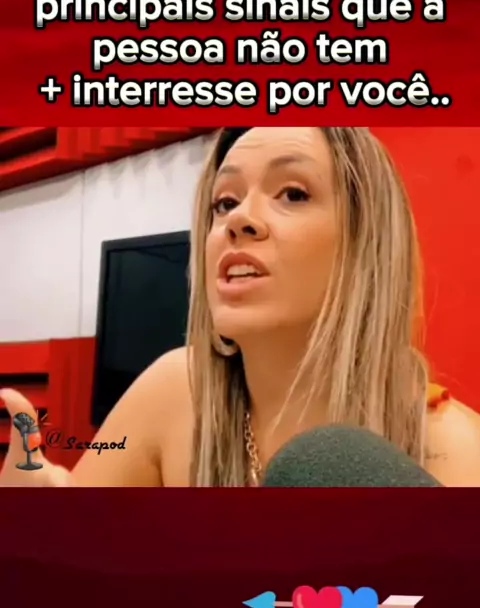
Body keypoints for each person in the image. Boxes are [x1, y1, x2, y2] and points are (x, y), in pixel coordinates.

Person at [1, 126, 479, 487]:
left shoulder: (452, 450)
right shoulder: (172, 389)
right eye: (224, 203)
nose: (240, 219)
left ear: (365, 244)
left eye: (293, 194)